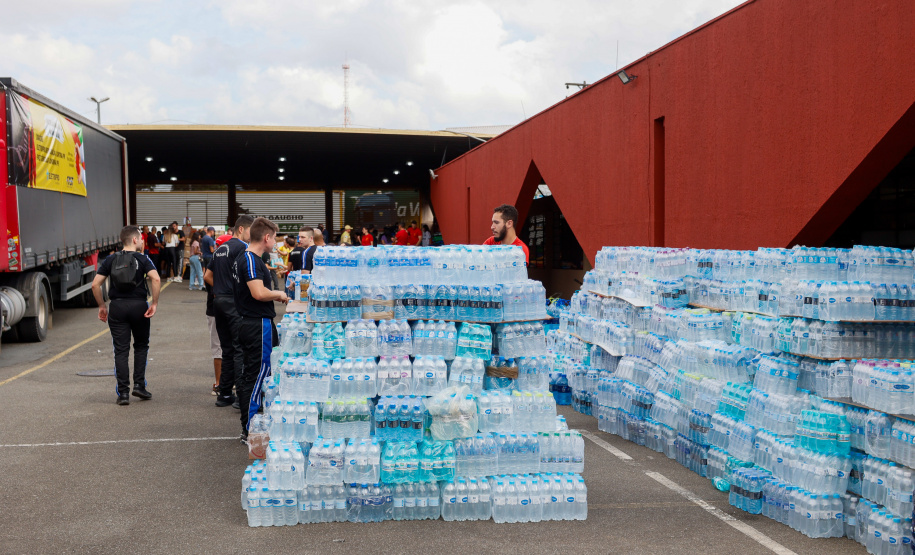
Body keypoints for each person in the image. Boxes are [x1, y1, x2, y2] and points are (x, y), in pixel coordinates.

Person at [91, 226, 160, 405]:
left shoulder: (111, 259)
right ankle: (139, 385)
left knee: (121, 350)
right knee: (141, 345)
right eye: (141, 239)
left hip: (117, 307)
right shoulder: (143, 258)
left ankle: (123, 393)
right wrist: (154, 303)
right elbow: (156, 279)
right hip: (139, 306)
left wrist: (101, 306)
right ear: (135, 240)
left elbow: (95, 285)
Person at [232, 217, 288, 438]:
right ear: (266, 238)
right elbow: (258, 293)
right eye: (274, 239)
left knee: (252, 375)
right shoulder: (250, 260)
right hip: (258, 324)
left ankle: (249, 426)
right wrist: (279, 293)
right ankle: (251, 429)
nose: (275, 243)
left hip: (251, 322)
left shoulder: (246, 258)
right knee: (258, 377)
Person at [204, 215, 255, 409]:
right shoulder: (242, 248)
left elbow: (208, 276)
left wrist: (222, 290)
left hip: (219, 302)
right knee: (240, 348)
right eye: (251, 231)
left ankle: (224, 394)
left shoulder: (220, 250)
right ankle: (241, 396)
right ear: (241, 229)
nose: (252, 236)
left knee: (227, 349)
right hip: (233, 304)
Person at [205, 277, 222, 396]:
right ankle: (219, 383)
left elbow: (206, 277)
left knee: (218, 346)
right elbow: (206, 277)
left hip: (216, 306)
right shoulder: (234, 259)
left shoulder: (216, 259)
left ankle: (219, 383)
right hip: (222, 306)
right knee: (221, 346)